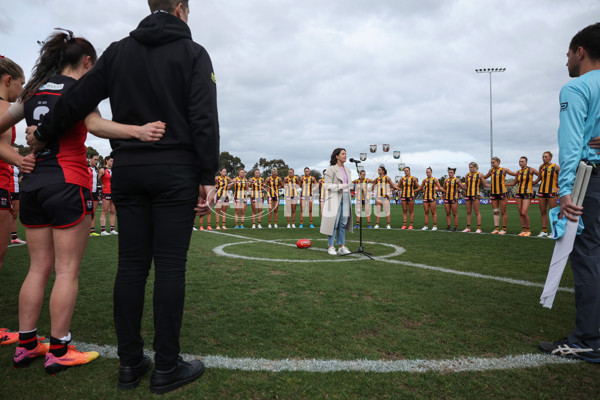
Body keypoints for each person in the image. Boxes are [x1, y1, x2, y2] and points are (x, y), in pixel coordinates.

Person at [28, 1, 218, 393]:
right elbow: (204, 116)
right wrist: (208, 175)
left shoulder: (117, 51)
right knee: (170, 267)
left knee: (131, 267)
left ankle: (130, 364)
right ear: (181, 8)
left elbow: (77, 100)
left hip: (129, 171)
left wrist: (44, 133)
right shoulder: (193, 53)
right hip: (176, 171)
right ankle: (166, 366)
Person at [1, 30, 165, 372]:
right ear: (87, 61)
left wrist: (17, 159)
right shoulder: (80, 88)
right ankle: (59, 350)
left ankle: (27, 344)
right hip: (67, 183)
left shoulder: (32, 90)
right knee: (66, 270)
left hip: (32, 187)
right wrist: (138, 131)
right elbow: (97, 125)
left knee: (36, 268)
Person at [538, 22, 600, 363]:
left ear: (580, 51)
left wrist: (566, 192)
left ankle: (589, 339)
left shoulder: (576, 89)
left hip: (590, 181)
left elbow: (572, 142)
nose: (565, 62)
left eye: (567, 54)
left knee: (587, 257)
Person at [0, 56, 27, 272]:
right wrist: (23, 161)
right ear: (9, 80)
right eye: (22, 83)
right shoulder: (3, 107)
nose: (22, 89)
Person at [320, 148, 353, 255]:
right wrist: (340, 186)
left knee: (343, 223)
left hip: (346, 198)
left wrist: (352, 187)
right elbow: (327, 185)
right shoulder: (331, 169)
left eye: (345, 154)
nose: (345, 155)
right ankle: (331, 246)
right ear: (336, 156)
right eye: (343, 154)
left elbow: (349, 184)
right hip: (334, 199)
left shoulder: (348, 170)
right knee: (333, 223)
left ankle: (341, 246)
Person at [483, 157, 516, 234]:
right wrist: (480, 176)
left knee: (503, 211)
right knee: (495, 211)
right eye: (491, 163)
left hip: (502, 193)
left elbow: (515, 174)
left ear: (498, 162)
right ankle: (496, 228)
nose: (492, 164)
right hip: (493, 193)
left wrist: (514, 182)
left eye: (493, 162)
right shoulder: (491, 170)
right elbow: (484, 177)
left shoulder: (504, 170)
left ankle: (504, 229)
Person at [506, 157, 538, 236]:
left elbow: (541, 176)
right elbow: (514, 183)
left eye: (522, 161)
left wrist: (533, 183)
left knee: (524, 212)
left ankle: (528, 230)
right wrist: (503, 184)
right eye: (520, 161)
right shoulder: (518, 172)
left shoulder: (531, 170)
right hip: (519, 193)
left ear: (526, 162)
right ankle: (523, 230)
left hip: (527, 193)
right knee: (520, 213)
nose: (521, 163)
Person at [531, 151, 560, 237]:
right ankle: (544, 231)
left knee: (553, 212)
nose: (544, 158)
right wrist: (530, 183)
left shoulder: (556, 167)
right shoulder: (541, 167)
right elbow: (539, 178)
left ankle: (554, 231)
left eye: (546, 157)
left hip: (552, 192)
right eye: (543, 157)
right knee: (543, 212)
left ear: (550, 157)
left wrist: (557, 183)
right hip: (541, 191)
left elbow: (562, 178)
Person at [462, 162, 488, 233]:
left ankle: (479, 228)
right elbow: (466, 186)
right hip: (468, 194)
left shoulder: (480, 174)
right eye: (469, 167)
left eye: (471, 167)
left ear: (475, 167)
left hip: (476, 195)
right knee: (468, 211)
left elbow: (485, 184)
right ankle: (468, 227)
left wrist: (493, 186)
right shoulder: (467, 175)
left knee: (476, 211)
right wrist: (459, 187)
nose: (470, 169)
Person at [10, 146, 26, 244]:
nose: (16, 153)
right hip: (7, 190)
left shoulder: (16, 164)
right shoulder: (5, 161)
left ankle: (14, 238)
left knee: (15, 215)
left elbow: (17, 177)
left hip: (16, 190)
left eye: (17, 152)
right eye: (14, 151)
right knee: (4, 215)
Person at [98, 156, 117, 235]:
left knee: (113, 211)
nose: (112, 162)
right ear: (107, 161)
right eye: (111, 161)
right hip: (106, 192)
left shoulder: (114, 170)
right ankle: (103, 230)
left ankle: (112, 229)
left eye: (113, 161)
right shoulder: (103, 170)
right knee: (105, 211)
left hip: (114, 192)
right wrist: (100, 185)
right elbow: (96, 178)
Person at [88, 153, 101, 236]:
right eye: (95, 159)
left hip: (95, 191)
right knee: (87, 212)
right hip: (87, 192)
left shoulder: (96, 168)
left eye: (97, 160)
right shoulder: (85, 167)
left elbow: (97, 179)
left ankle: (92, 231)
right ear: (90, 159)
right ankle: (85, 231)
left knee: (93, 211)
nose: (96, 161)